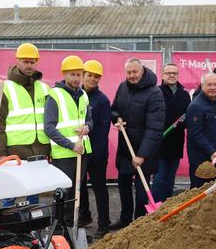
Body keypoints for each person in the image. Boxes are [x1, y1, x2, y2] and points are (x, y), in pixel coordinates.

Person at [108, 59, 165, 230]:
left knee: (142, 191)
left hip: (144, 153)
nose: (132, 76)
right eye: (129, 72)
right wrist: (116, 118)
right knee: (123, 185)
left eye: (135, 72)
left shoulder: (154, 93)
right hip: (126, 148)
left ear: (142, 71)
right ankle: (125, 220)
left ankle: (138, 224)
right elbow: (114, 108)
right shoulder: (122, 87)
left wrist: (143, 154)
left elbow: (155, 127)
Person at [44, 55, 93, 224]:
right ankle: (57, 231)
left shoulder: (84, 95)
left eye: (78, 74)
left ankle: (71, 229)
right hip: (64, 155)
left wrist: (87, 127)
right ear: (64, 74)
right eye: (72, 74)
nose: (76, 78)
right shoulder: (54, 95)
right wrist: (71, 145)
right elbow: (49, 128)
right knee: (62, 195)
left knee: (76, 194)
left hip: (82, 152)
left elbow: (89, 120)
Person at [0, 42, 50, 159]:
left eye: (32, 62)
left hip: (43, 149)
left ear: (36, 63)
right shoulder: (4, 88)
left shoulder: (45, 88)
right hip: (16, 151)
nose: (29, 65)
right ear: (18, 62)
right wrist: (0, 153)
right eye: (25, 62)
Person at [78, 60, 111, 239]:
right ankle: (84, 216)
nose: (93, 79)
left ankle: (103, 224)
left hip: (97, 153)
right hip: (79, 150)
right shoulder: (76, 95)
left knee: (99, 188)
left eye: (96, 76)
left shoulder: (102, 100)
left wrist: (95, 154)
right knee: (80, 186)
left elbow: (103, 131)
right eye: (89, 75)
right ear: (83, 75)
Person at [151, 63, 191, 202]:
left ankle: (167, 209)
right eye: (168, 73)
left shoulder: (184, 94)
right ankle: (155, 210)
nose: (172, 75)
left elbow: (188, 117)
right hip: (160, 144)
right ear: (162, 75)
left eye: (174, 73)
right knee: (159, 179)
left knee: (169, 180)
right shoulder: (156, 92)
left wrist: (182, 123)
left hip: (176, 143)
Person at [186, 73, 216, 189]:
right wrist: (211, 152)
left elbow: (213, 126)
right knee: (199, 192)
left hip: (215, 156)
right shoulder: (196, 106)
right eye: (209, 85)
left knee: (213, 192)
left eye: (215, 85)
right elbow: (195, 134)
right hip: (201, 159)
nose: (212, 87)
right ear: (202, 86)